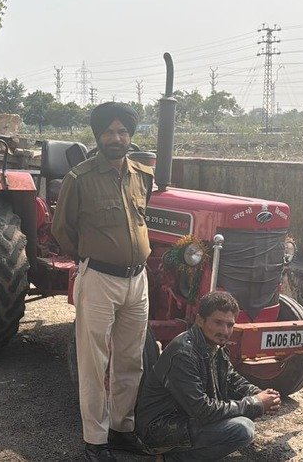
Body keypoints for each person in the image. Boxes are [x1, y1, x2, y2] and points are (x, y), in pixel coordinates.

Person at [51, 101, 155, 462]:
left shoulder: (142, 175)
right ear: (98, 136)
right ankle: (95, 440)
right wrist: (89, 257)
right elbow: (62, 228)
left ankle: (122, 429)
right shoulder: (80, 178)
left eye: (123, 131)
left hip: (137, 281)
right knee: (95, 363)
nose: (117, 137)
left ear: (130, 137)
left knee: (131, 360)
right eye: (109, 131)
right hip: (99, 279)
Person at [135, 292, 281, 461]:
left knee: (243, 416)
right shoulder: (184, 354)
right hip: (159, 429)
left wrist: (260, 395)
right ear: (199, 320)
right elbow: (202, 411)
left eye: (229, 325)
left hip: (184, 420)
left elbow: (232, 380)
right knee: (242, 429)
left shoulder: (216, 345)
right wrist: (255, 403)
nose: (224, 331)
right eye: (218, 323)